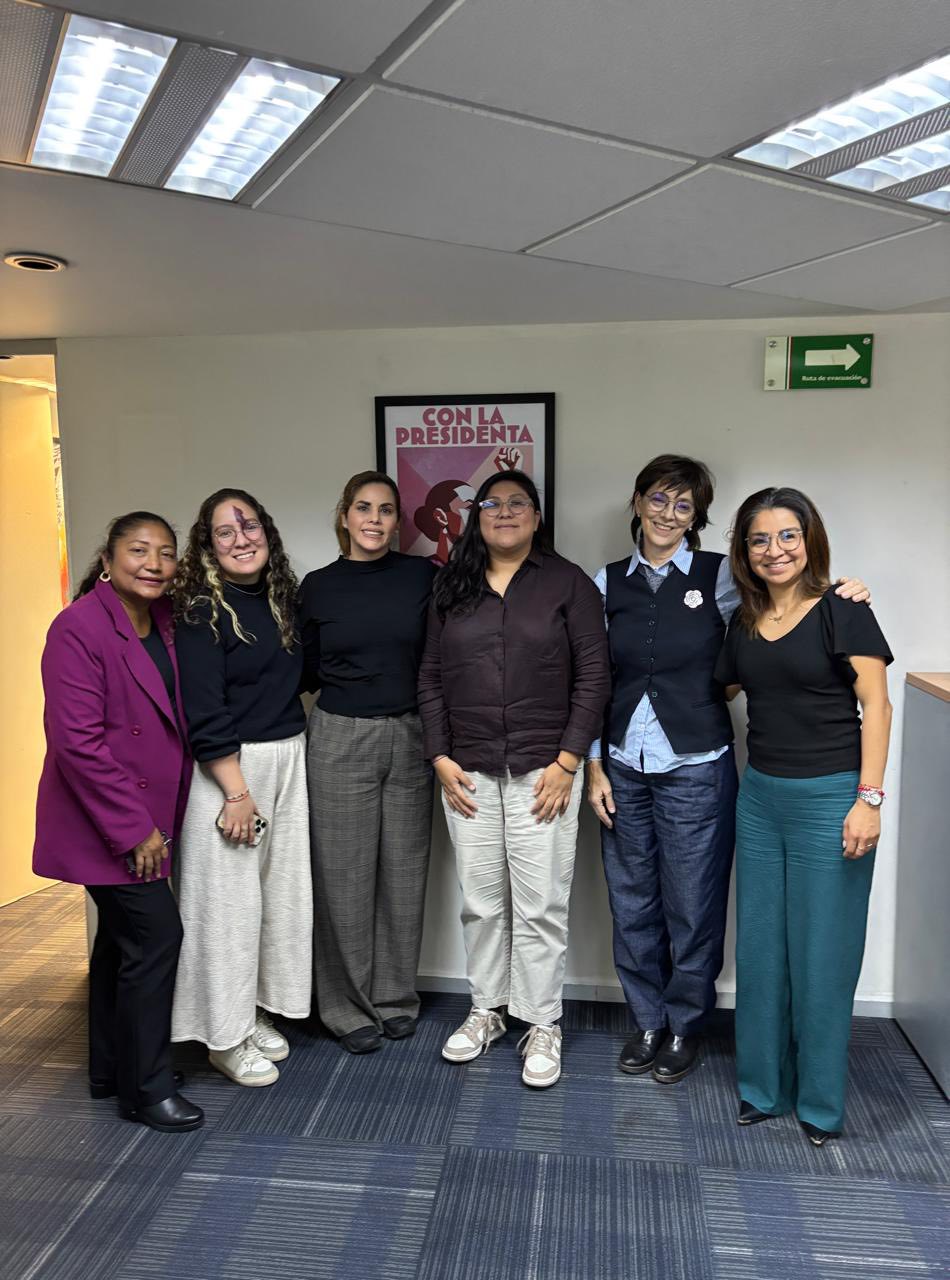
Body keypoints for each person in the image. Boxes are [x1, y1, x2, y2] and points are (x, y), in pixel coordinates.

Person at [587, 455, 870, 1084]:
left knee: (693, 904)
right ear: (637, 502)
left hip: (696, 764)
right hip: (623, 764)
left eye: (683, 505)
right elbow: (593, 677)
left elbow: (786, 611)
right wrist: (594, 764)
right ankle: (647, 1020)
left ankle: (684, 1024)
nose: (668, 514)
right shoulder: (606, 582)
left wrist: (844, 592)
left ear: (697, 517)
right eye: (658, 499)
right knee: (631, 901)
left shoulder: (722, 577)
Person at [418, 469, 610, 1088]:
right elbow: (429, 675)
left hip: (544, 773)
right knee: (481, 903)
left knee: (540, 906)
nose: (504, 512)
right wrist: (439, 755)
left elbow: (594, 678)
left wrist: (568, 761)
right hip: (466, 771)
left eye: (517, 502)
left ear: (536, 515)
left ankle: (542, 1021)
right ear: (476, 516)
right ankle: (487, 1010)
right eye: (492, 503)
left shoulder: (569, 584)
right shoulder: (452, 585)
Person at [716, 487, 892, 1146]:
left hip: (831, 799)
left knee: (822, 954)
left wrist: (868, 800)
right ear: (744, 551)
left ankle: (819, 1104)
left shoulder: (843, 610)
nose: (775, 550)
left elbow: (878, 707)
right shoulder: (743, 621)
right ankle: (763, 1088)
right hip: (761, 797)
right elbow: (722, 686)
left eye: (788, 535)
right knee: (761, 950)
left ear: (810, 540)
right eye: (759, 539)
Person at [33, 513, 202, 1133]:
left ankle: (111, 1068)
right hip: (106, 820)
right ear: (107, 560)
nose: (154, 563)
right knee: (157, 938)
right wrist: (134, 830)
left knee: (118, 943)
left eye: (166, 552)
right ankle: (145, 1090)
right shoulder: (77, 627)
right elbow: (76, 742)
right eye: (138, 550)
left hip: (149, 811)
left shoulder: (165, 621)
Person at [171, 489, 311, 1086]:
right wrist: (234, 791)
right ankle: (222, 1038)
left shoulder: (280, 599)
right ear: (208, 545)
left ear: (266, 531)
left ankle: (250, 1013)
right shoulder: (200, 610)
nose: (240, 540)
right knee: (225, 909)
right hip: (230, 770)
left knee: (276, 901)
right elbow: (203, 708)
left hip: (287, 758)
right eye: (224, 532)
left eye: (248, 526)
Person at [299, 471, 437, 1055]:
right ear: (345, 516)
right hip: (339, 738)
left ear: (397, 520)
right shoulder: (317, 587)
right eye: (363, 508)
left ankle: (395, 998)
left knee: (404, 875)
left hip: (410, 734)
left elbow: (439, 657)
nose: (374, 519)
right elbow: (304, 669)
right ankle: (345, 1007)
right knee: (344, 878)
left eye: (385, 510)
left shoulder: (422, 577)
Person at [413, 479, 474, 566]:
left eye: (479, 509)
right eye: (470, 507)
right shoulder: (425, 568)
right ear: (441, 517)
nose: (479, 515)